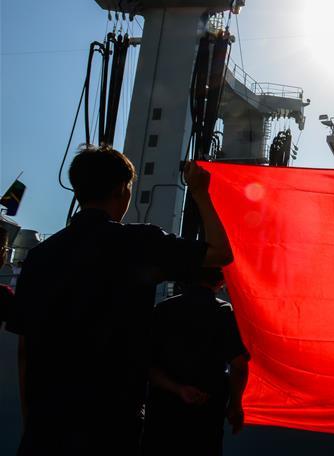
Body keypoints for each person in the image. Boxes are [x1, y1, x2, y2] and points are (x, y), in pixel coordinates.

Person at [8, 146, 233, 455]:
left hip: (47, 424)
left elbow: (25, 350)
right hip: (111, 423)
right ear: (122, 190)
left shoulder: (38, 257)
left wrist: (31, 422)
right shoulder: (138, 242)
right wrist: (200, 192)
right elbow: (221, 254)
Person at [142, 267, 249, 456]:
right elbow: (239, 366)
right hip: (205, 412)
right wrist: (235, 405)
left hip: (163, 414)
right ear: (220, 282)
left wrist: (178, 389)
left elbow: (148, 366)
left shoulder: (162, 310)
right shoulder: (222, 311)